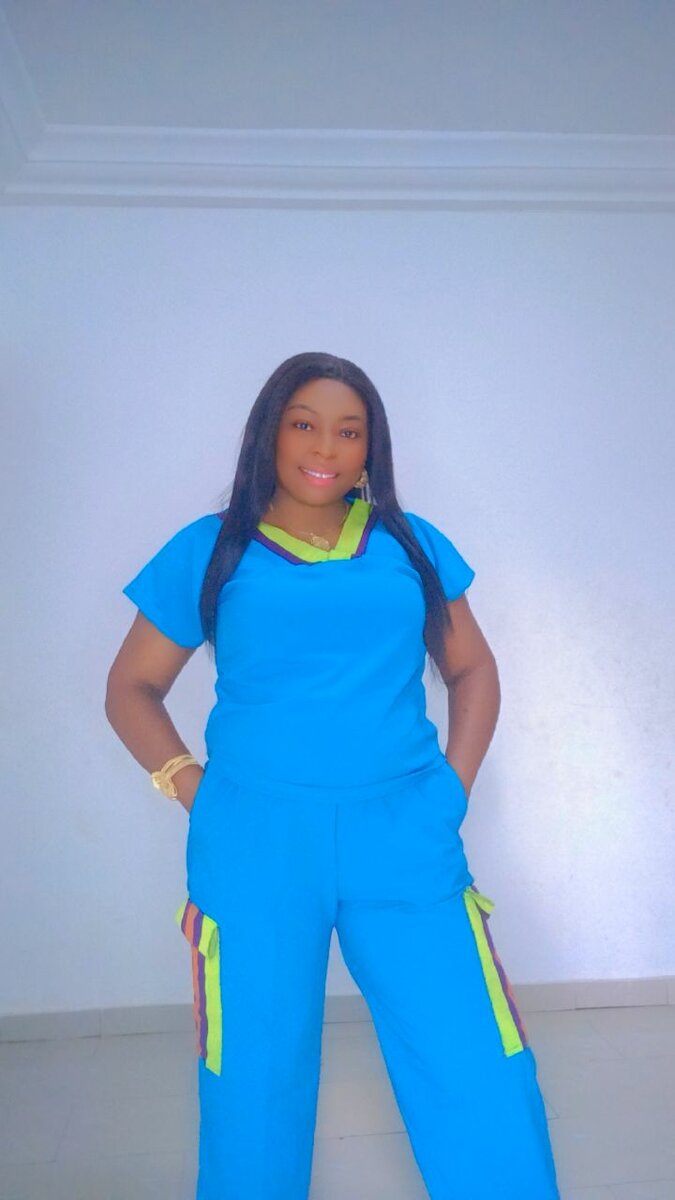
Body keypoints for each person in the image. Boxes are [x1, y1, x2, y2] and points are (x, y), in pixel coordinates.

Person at [105, 351, 561, 1199]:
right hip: (256, 845)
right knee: (252, 1080)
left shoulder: (410, 545)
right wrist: (194, 789)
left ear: (369, 448)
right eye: (305, 425)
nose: (326, 447)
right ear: (269, 434)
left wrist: (451, 791)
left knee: (474, 1058)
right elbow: (131, 686)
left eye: (349, 432)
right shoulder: (210, 549)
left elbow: (472, 669)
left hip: (405, 836)